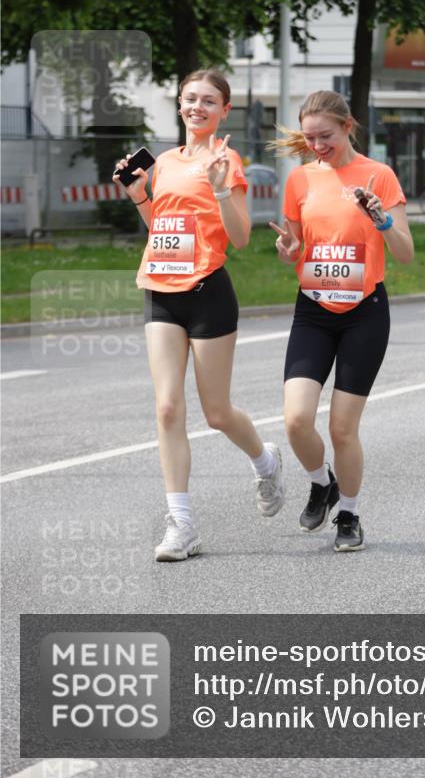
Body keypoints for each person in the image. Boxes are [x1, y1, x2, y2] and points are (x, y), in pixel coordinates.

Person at [113, 69, 285, 562]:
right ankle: (182, 524)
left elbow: (240, 237)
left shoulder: (226, 160)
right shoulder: (164, 162)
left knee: (216, 413)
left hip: (208, 291)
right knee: (167, 407)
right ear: (181, 105)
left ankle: (265, 459)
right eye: (190, 99)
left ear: (224, 111)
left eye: (209, 101)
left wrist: (221, 189)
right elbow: (159, 227)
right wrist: (140, 195)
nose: (197, 107)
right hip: (161, 290)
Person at [268, 91, 414, 552]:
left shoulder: (379, 176)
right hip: (313, 309)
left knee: (342, 428)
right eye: (309, 138)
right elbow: (293, 244)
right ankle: (321, 482)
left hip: (364, 313)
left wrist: (382, 222)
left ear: (348, 126)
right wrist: (287, 250)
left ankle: (348, 514)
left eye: (325, 136)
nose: (317, 145)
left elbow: (406, 254)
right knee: (295, 420)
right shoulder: (300, 180)